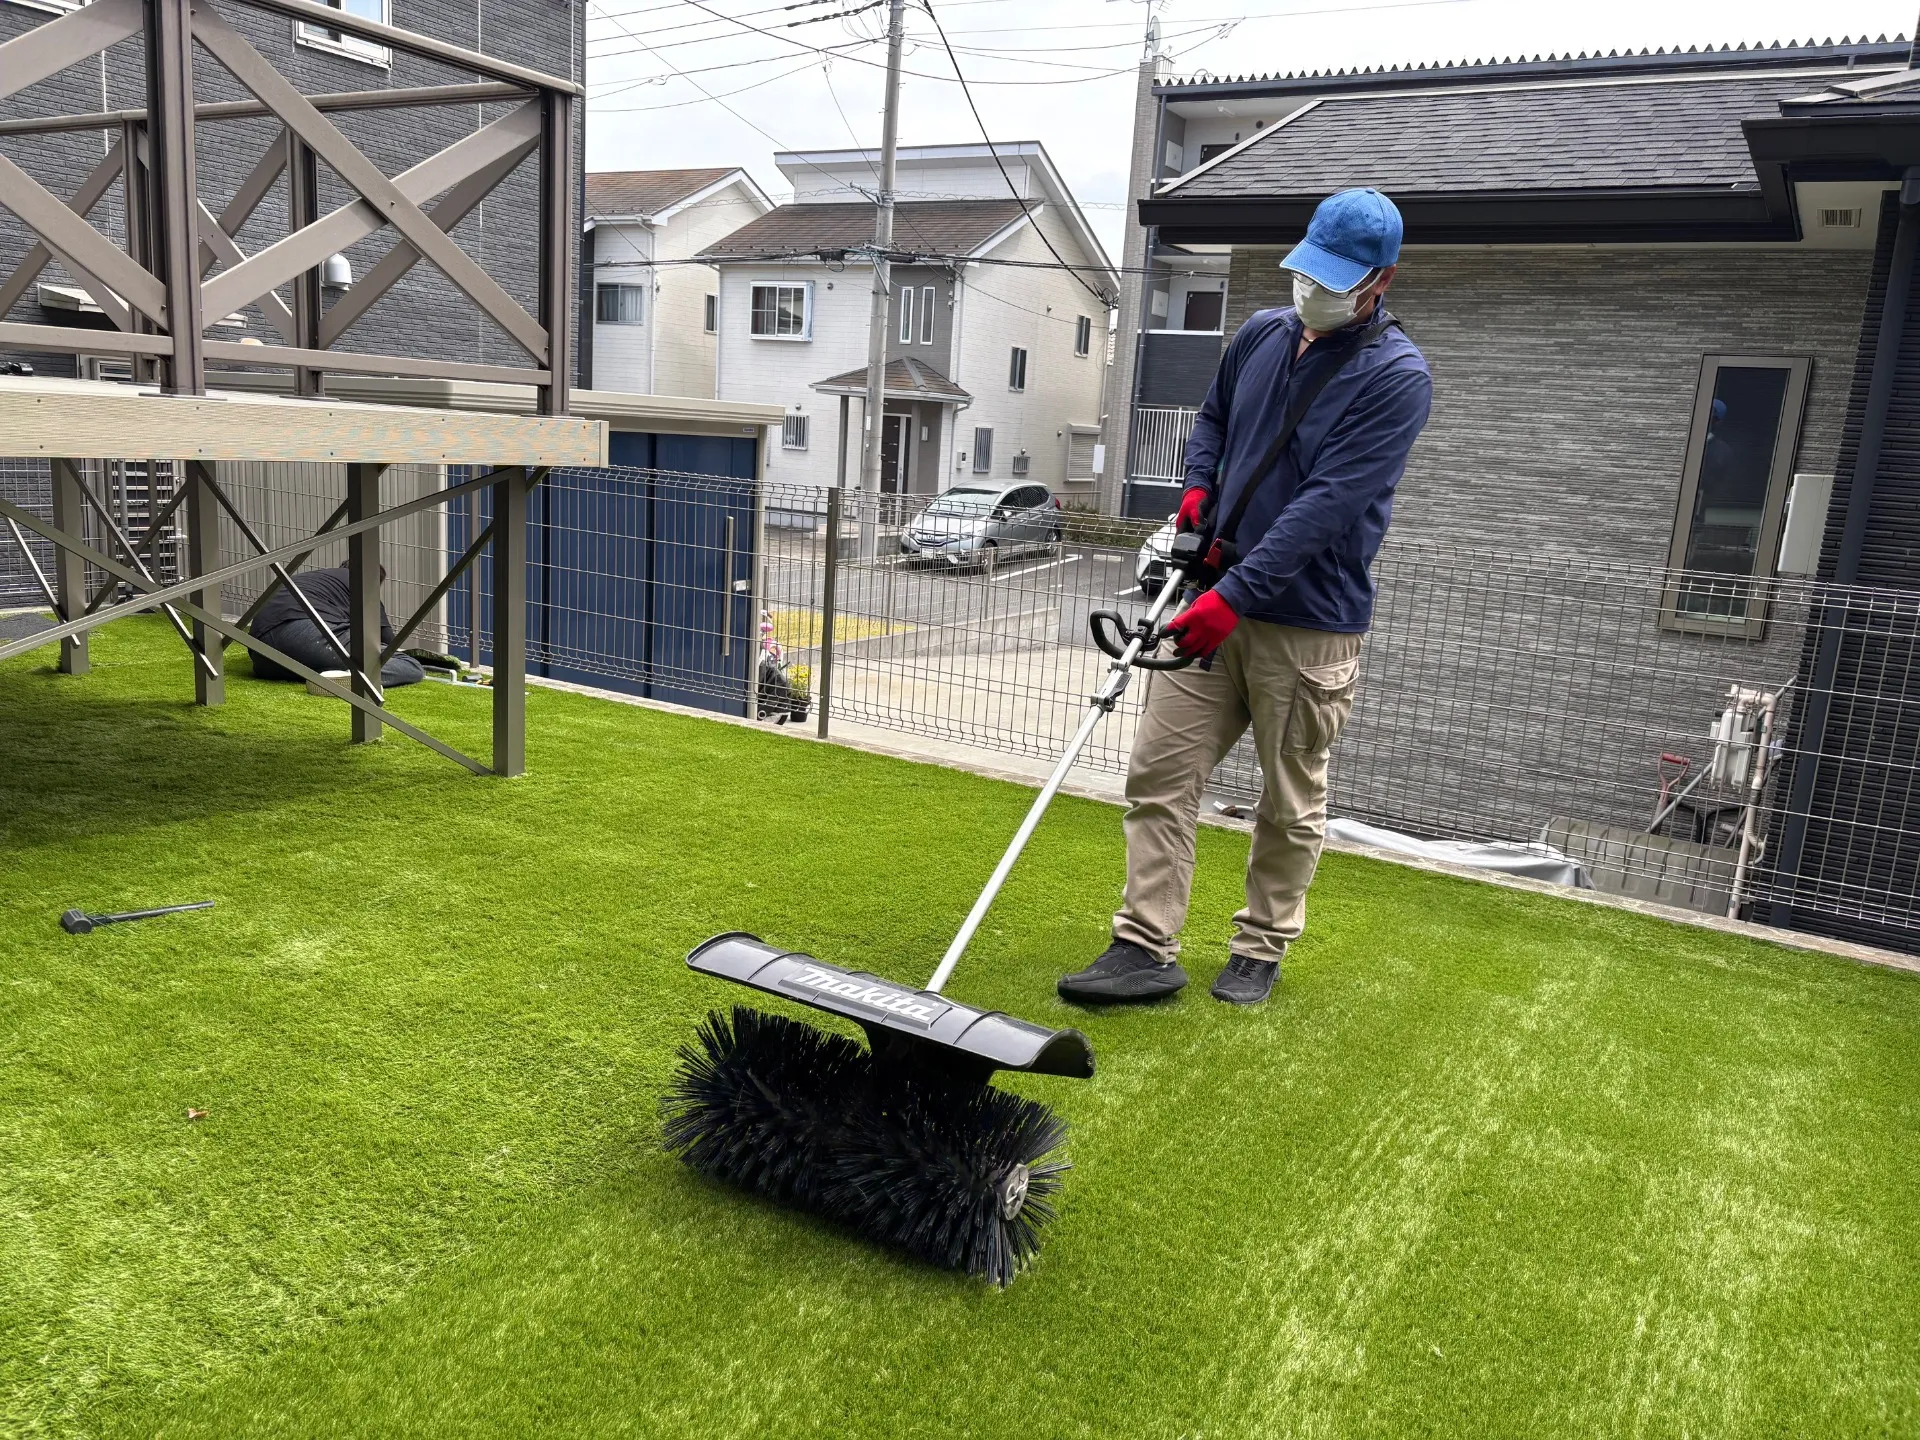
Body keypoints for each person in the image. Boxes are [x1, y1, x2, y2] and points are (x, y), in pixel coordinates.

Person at [1060, 187, 1433, 1007]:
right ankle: (1144, 944)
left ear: (1382, 280)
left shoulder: (1395, 378)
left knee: (1289, 799)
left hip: (1306, 622)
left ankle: (1260, 947)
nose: (1315, 291)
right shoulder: (1262, 332)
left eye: (1338, 280)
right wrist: (1196, 491)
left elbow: (1326, 508)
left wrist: (1234, 596)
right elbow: (1214, 422)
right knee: (1160, 771)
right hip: (1210, 599)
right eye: (1310, 271)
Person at [247, 564, 426, 687]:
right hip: (303, 632)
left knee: (329, 661)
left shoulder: (322, 579)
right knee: (411, 665)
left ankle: (338, 673)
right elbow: (388, 642)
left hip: (262, 657)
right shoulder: (361, 581)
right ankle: (355, 679)